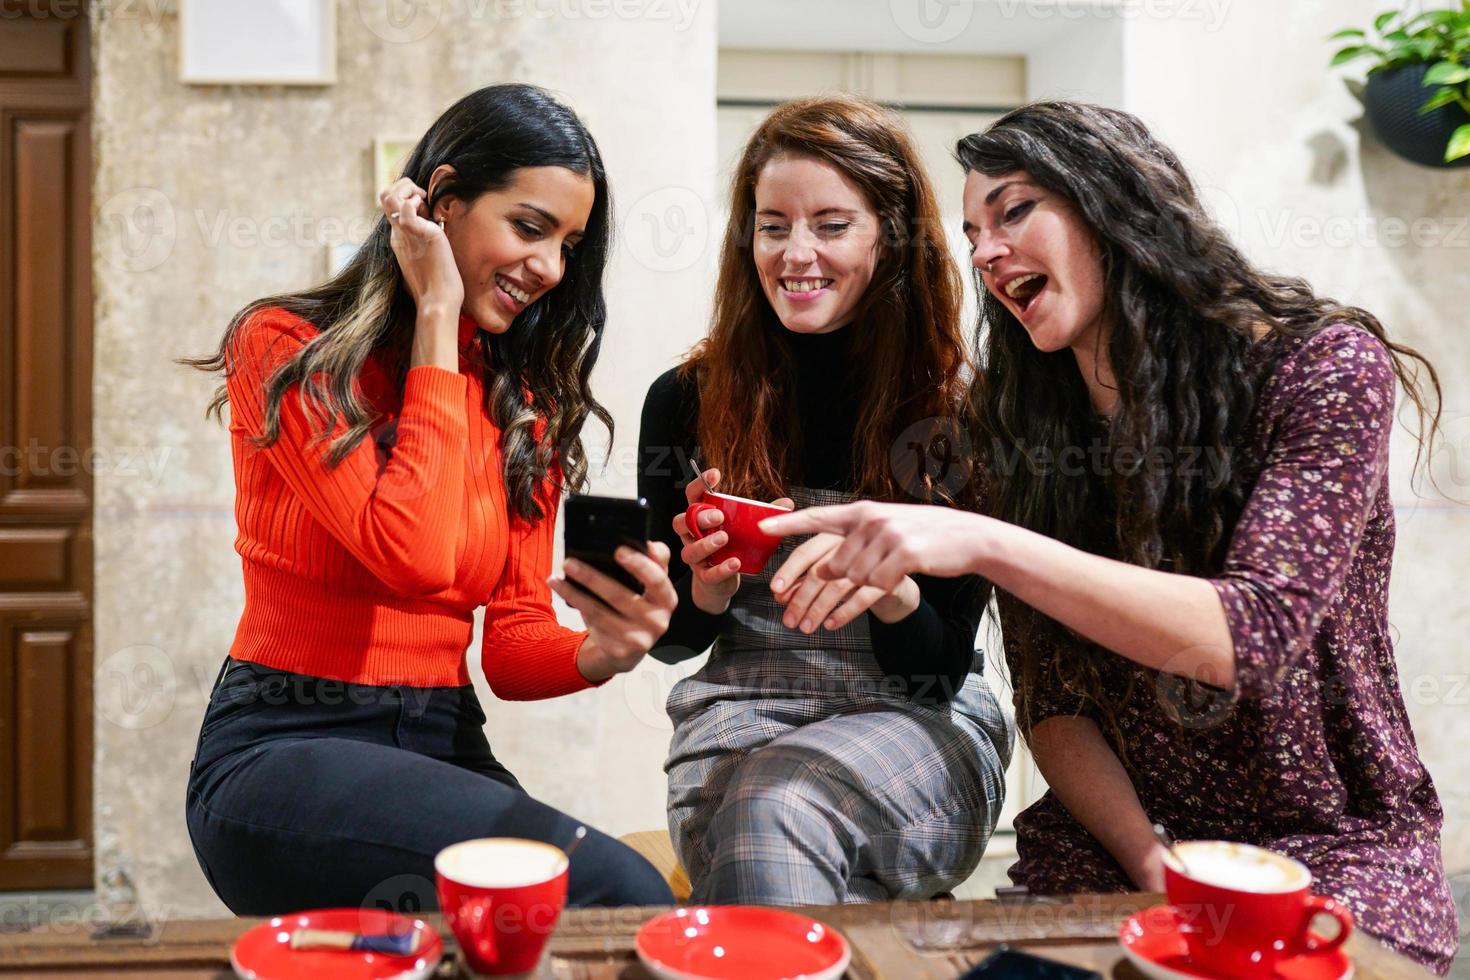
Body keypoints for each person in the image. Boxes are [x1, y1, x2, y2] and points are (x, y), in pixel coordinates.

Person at [758, 101, 1459, 972]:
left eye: (1015, 211)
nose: (984, 250)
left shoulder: (1319, 368)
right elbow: (1053, 707)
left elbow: (1250, 634)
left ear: (1117, 205)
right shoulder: (1016, 429)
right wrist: (1149, 867)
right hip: (1120, 841)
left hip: (1328, 839)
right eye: (973, 229)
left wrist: (981, 541)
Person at [182, 84, 676, 915]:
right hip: (286, 741)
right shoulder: (283, 346)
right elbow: (409, 554)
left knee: (602, 915)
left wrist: (606, 650)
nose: (551, 268)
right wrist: (437, 314)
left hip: (444, 737)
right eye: (529, 226)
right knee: (614, 891)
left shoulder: (525, 402)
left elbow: (513, 647)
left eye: (569, 243)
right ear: (442, 204)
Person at [638, 95, 1013, 906]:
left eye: (832, 225)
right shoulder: (685, 400)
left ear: (893, 235)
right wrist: (702, 589)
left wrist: (888, 585)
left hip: (917, 723)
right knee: (773, 839)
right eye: (773, 225)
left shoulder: (961, 416)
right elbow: (673, 643)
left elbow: (936, 674)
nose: (795, 253)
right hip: (740, 709)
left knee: (777, 808)